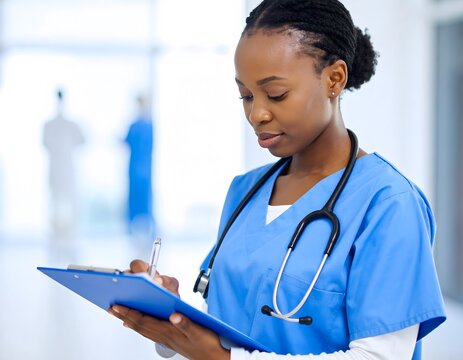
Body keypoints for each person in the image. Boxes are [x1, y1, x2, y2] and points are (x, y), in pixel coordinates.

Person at [109, 1, 446, 359]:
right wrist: (174, 322)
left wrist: (221, 357)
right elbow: (235, 325)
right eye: (246, 96)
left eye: (276, 94)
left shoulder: (389, 203)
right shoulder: (245, 191)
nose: (257, 114)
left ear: (334, 78)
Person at [43, 88, 85, 242]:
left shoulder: (53, 125)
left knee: (64, 201)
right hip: (61, 169)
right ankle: (58, 234)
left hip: (63, 169)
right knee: (57, 201)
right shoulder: (56, 124)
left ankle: (67, 233)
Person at [124, 94, 155, 240]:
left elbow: (125, 142)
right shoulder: (145, 126)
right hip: (141, 169)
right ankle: (139, 229)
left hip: (138, 169)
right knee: (140, 199)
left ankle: (143, 229)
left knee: (140, 199)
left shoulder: (140, 126)